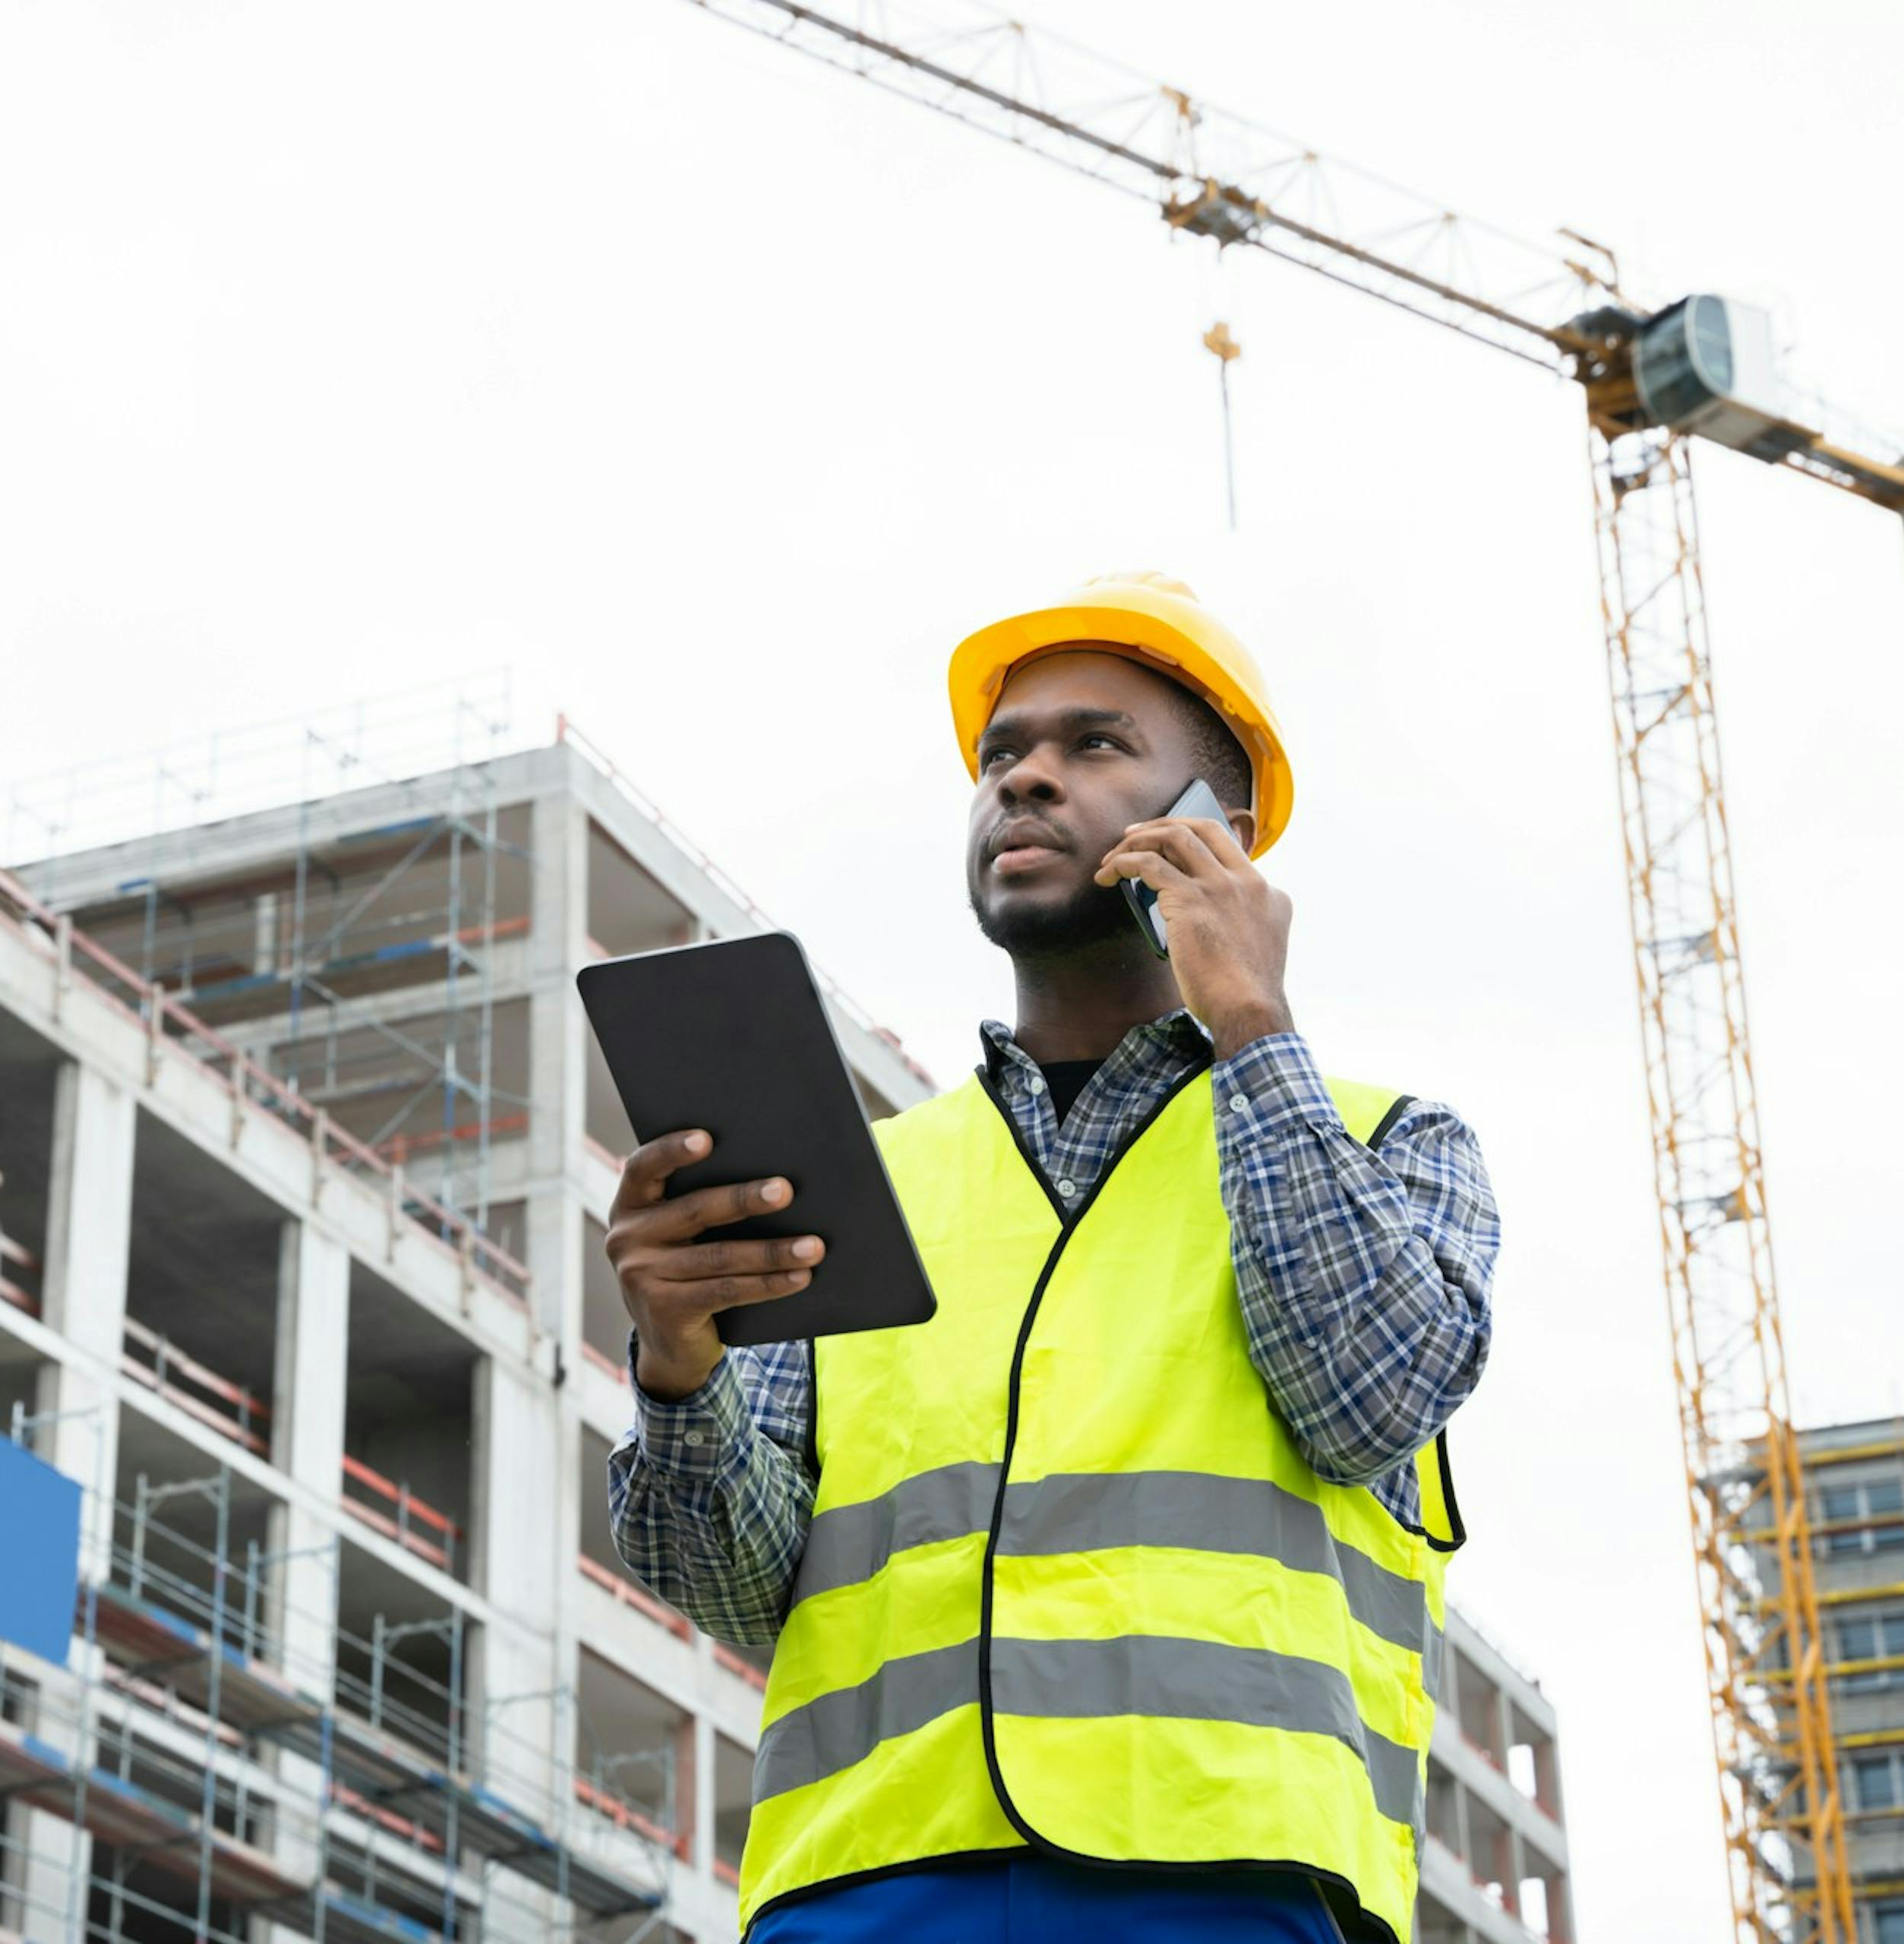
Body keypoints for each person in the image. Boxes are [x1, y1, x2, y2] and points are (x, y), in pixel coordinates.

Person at [603, 572, 1499, 1944]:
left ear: (1225, 832)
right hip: (865, 1890)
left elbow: (1365, 1396)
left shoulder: (1389, 1145)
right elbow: (732, 1590)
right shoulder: (873, 1181)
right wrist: (679, 1368)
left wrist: (1251, 1017)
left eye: (1093, 746)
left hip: (1220, 1888)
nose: (1022, 782)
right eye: (999, 756)